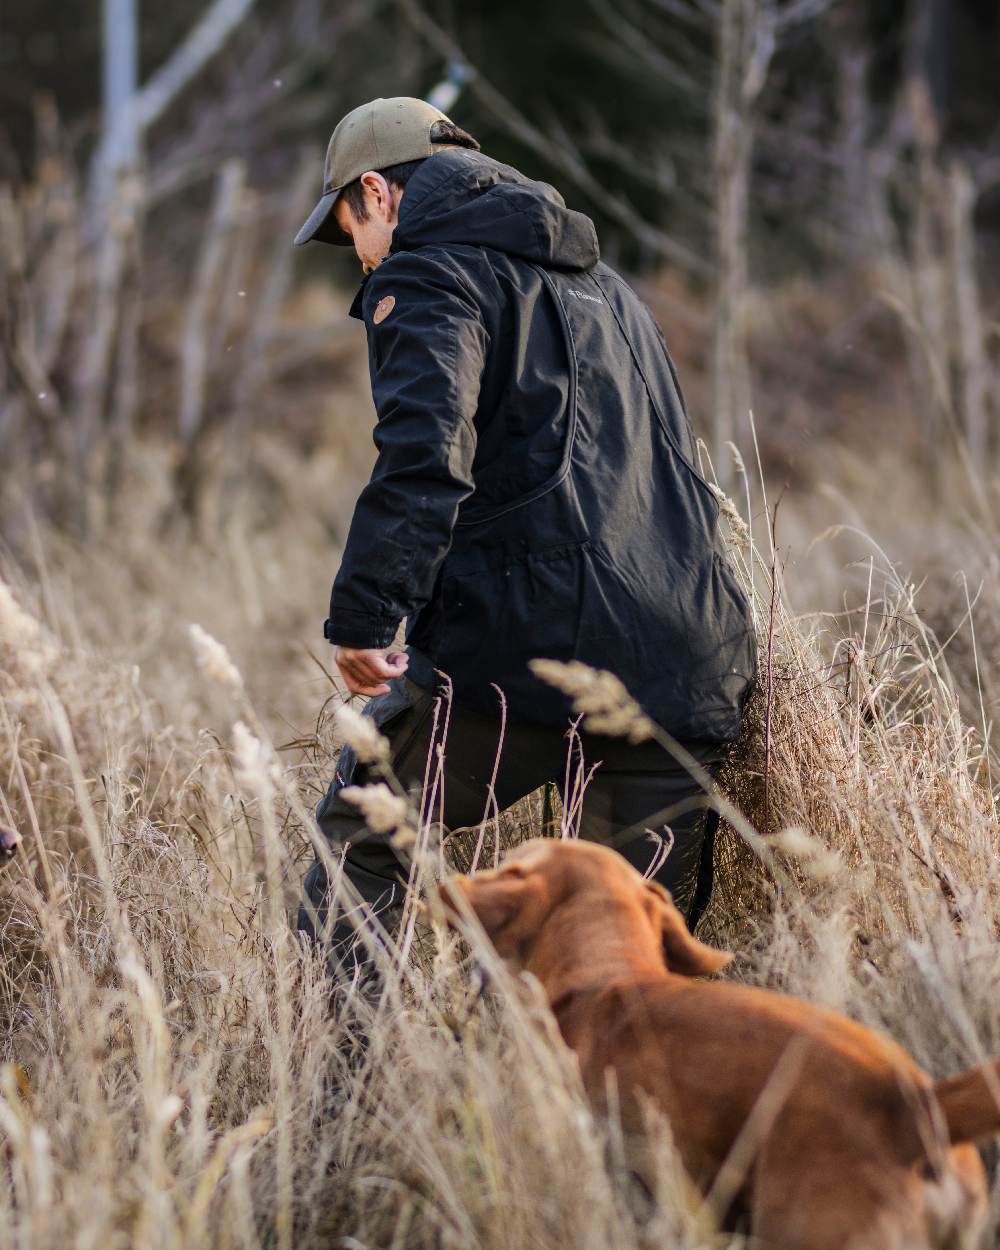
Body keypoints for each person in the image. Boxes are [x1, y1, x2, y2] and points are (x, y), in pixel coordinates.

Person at [292, 96, 756, 978]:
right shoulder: (609, 289)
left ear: (379, 194)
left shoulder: (426, 275)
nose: (356, 252)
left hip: (532, 655)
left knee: (365, 830)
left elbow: (426, 457)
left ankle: (346, 1106)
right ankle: (578, 1114)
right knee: (620, 977)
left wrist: (364, 617)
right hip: (688, 662)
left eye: (347, 223)